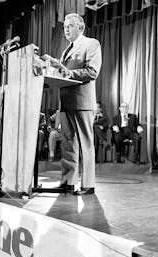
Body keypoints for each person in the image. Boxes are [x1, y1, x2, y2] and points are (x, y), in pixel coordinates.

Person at [59, 13, 102, 195]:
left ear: (80, 28)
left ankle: (88, 185)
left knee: (86, 143)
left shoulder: (91, 44)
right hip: (66, 102)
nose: (66, 29)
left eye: (70, 26)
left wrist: (70, 74)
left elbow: (92, 72)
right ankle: (68, 182)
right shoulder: (65, 50)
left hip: (82, 102)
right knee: (68, 144)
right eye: (65, 27)